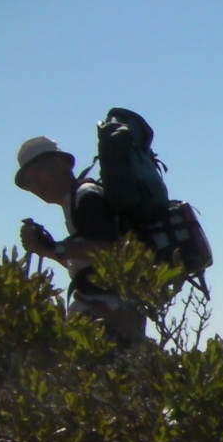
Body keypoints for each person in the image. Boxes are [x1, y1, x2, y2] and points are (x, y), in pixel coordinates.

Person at [15, 135, 146, 346]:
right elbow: (85, 262)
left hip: (107, 313)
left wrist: (55, 246)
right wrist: (45, 248)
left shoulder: (86, 197)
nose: (35, 185)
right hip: (106, 311)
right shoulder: (75, 203)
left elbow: (110, 250)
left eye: (41, 170)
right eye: (29, 182)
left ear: (63, 164)